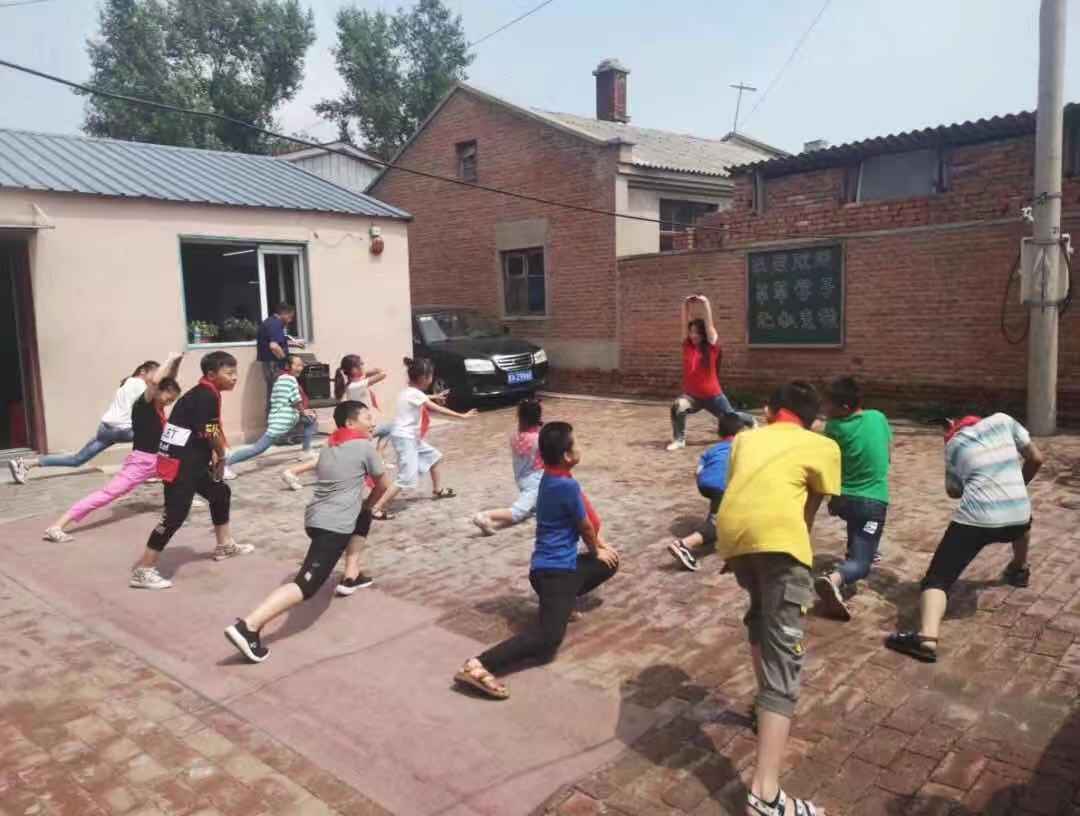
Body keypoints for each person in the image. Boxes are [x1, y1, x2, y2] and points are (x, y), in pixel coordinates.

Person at [715, 381, 840, 816]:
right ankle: (765, 795)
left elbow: (742, 490)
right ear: (813, 419)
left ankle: (761, 704)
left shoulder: (745, 438)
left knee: (760, 615)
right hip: (780, 543)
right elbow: (811, 508)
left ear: (770, 412)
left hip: (734, 541)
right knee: (784, 661)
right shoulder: (822, 445)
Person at [454, 422, 619, 699]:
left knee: (609, 562)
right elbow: (585, 527)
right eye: (577, 444)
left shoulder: (551, 476)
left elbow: (587, 519)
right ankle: (478, 665)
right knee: (548, 639)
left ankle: (562, 603)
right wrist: (595, 550)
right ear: (566, 455)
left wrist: (600, 550)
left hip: (547, 572)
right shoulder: (566, 485)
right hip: (555, 575)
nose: (581, 447)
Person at [224, 401, 390, 663]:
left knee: (362, 516)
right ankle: (248, 626)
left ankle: (352, 574)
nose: (373, 422)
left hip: (314, 519)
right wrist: (370, 504)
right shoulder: (364, 447)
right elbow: (384, 485)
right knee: (306, 585)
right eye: (367, 418)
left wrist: (364, 508)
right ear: (350, 423)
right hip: (332, 527)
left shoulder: (329, 445)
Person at [886, 413, 1043, 664]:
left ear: (953, 430)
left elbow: (953, 491)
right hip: (1018, 517)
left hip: (976, 520)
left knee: (936, 579)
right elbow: (1036, 458)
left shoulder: (953, 445)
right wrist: (1015, 486)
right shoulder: (1003, 421)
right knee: (1022, 523)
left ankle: (926, 639)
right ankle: (1019, 568)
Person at [129, 351, 252, 590]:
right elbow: (211, 431)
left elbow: (205, 431)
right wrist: (222, 455)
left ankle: (224, 545)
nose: (234, 377)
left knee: (219, 492)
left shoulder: (206, 392)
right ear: (211, 374)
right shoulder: (205, 395)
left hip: (193, 461)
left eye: (235, 372)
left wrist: (213, 455)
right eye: (229, 373)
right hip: (180, 464)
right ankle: (143, 570)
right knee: (174, 515)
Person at [42, 355, 185, 542]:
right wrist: (171, 358)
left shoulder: (158, 407)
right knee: (108, 494)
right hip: (141, 463)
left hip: (159, 459)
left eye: (172, 400)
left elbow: (169, 381)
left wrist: (177, 362)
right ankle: (56, 526)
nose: (169, 402)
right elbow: (156, 381)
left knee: (187, 473)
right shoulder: (144, 405)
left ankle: (181, 503)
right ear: (157, 391)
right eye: (168, 398)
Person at [8, 355, 181, 484]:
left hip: (106, 429)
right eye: (154, 372)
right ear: (143, 371)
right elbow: (162, 383)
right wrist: (172, 360)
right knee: (158, 435)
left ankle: (26, 463)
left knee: (77, 459)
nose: (157, 376)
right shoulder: (140, 384)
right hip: (123, 430)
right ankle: (146, 471)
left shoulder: (126, 383)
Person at [813, 377, 893, 621]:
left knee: (857, 527)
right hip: (872, 502)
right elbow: (888, 454)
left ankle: (855, 556)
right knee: (862, 564)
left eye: (828, 405)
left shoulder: (833, 429)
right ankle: (835, 578)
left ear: (845, 407)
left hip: (844, 500)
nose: (825, 409)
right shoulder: (878, 417)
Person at [369, 357, 477, 520]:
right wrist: (462, 416)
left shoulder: (408, 392)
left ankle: (437, 490)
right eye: (430, 375)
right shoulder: (414, 394)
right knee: (406, 477)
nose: (431, 378)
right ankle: (377, 508)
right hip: (405, 438)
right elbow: (436, 408)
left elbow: (423, 398)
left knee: (434, 457)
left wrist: (435, 395)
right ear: (423, 378)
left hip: (409, 437)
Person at [280, 353, 388, 491]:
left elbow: (370, 374)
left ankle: (376, 462)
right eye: (361, 364)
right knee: (334, 455)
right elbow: (382, 373)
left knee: (338, 454)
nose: (363, 366)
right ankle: (292, 471)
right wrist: (367, 371)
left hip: (358, 426)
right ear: (354, 370)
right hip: (356, 427)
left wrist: (361, 371)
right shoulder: (356, 385)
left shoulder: (356, 383)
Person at [666, 412, 747, 572]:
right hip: (722, 485)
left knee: (720, 507)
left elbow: (698, 471)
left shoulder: (713, 449)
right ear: (740, 432)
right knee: (718, 524)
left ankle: (721, 526)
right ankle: (684, 545)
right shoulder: (741, 447)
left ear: (719, 433)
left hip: (705, 483)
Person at [668, 294, 749, 451]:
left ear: (704, 334)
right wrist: (685, 304)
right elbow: (684, 324)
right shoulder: (687, 346)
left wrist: (705, 303)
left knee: (730, 418)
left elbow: (709, 325)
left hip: (713, 396)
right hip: (692, 397)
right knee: (678, 406)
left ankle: (750, 420)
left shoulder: (712, 347)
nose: (693, 335)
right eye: (691, 332)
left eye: (697, 333)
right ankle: (679, 440)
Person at [223, 354, 316, 480]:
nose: (301, 367)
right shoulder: (289, 379)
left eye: (302, 365)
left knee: (310, 420)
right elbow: (296, 400)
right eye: (298, 365)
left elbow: (288, 400)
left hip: (285, 417)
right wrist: (303, 412)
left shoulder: (282, 378)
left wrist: (304, 413)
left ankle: (306, 451)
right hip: (282, 420)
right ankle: (225, 464)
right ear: (288, 366)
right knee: (258, 448)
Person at [473, 399, 544, 535]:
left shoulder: (515, 436)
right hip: (535, 481)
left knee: (531, 508)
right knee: (519, 512)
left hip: (521, 479)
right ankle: (484, 515)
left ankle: (493, 525)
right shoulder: (538, 439)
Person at [256, 303, 298, 416]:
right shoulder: (276, 324)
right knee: (279, 394)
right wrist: (286, 360)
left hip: (269, 363)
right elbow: (274, 346)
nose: (290, 320)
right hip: (274, 364)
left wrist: (294, 344)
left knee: (273, 393)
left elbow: (276, 342)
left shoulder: (269, 322)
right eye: (290, 317)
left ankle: (273, 421)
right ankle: (276, 421)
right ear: (283, 313)